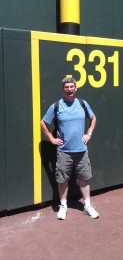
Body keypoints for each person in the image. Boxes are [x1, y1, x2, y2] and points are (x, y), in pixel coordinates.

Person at [40, 77, 99, 220]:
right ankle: (63, 206)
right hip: (64, 152)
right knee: (62, 180)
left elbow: (93, 118)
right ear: (63, 89)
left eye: (72, 86)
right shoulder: (57, 106)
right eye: (66, 87)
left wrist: (89, 133)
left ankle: (87, 205)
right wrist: (51, 139)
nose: (69, 89)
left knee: (84, 178)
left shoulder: (82, 104)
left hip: (81, 150)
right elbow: (43, 122)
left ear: (76, 88)